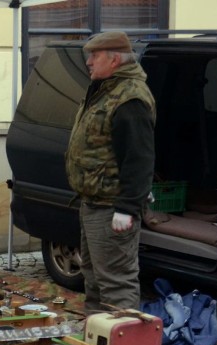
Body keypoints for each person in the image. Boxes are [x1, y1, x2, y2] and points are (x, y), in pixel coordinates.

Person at [65, 31, 156, 311]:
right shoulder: (106, 88)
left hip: (111, 208)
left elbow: (139, 158)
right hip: (93, 203)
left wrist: (127, 207)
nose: (89, 62)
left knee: (116, 282)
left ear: (114, 59)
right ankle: (96, 341)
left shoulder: (130, 98)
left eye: (95, 56)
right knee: (92, 276)